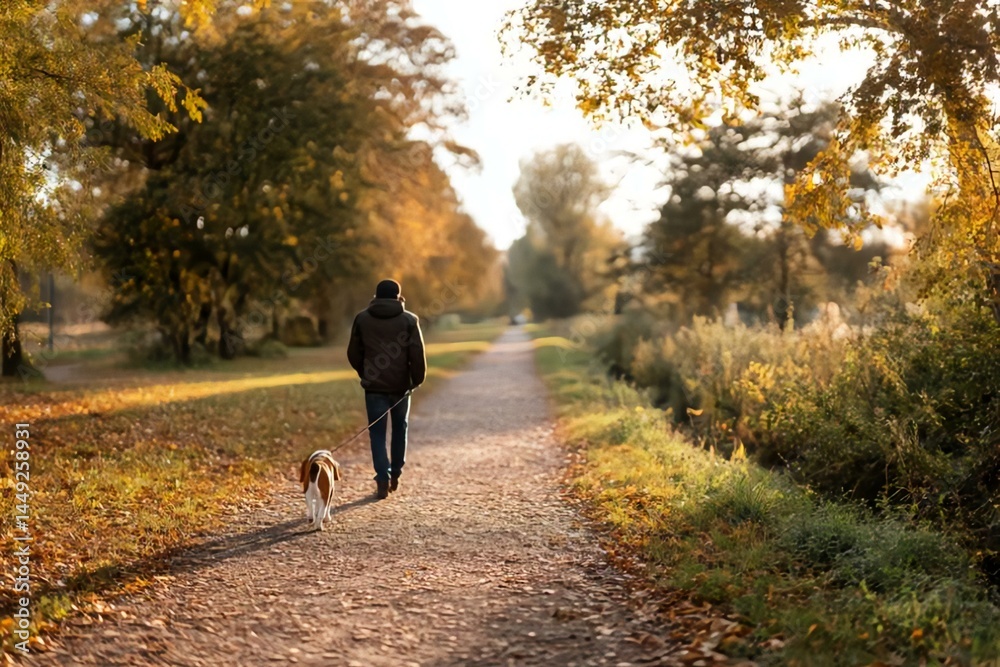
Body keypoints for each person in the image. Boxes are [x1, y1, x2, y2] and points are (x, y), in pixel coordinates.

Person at [347, 279, 426, 499]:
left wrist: (365, 373)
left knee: (377, 433)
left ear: (376, 296)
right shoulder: (409, 320)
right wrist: (415, 380)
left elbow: (353, 352)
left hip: (374, 388)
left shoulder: (362, 319)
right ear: (398, 296)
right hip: (400, 387)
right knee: (400, 428)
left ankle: (382, 477)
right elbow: (417, 354)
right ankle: (396, 473)